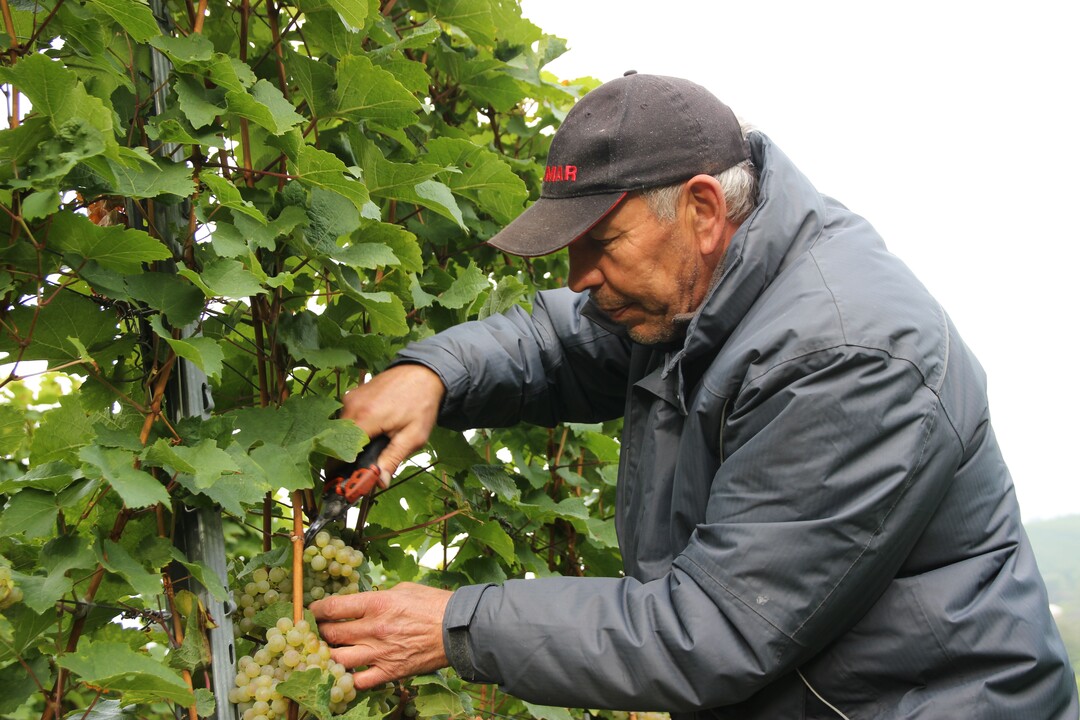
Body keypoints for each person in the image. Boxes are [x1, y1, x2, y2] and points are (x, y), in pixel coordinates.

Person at [310, 73, 1079, 719]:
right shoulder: (703, 289)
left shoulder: (844, 357)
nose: (578, 277)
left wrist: (457, 624)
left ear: (704, 211)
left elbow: (713, 629)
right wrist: (434, 374)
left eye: (601, 243)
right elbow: (560, 341)